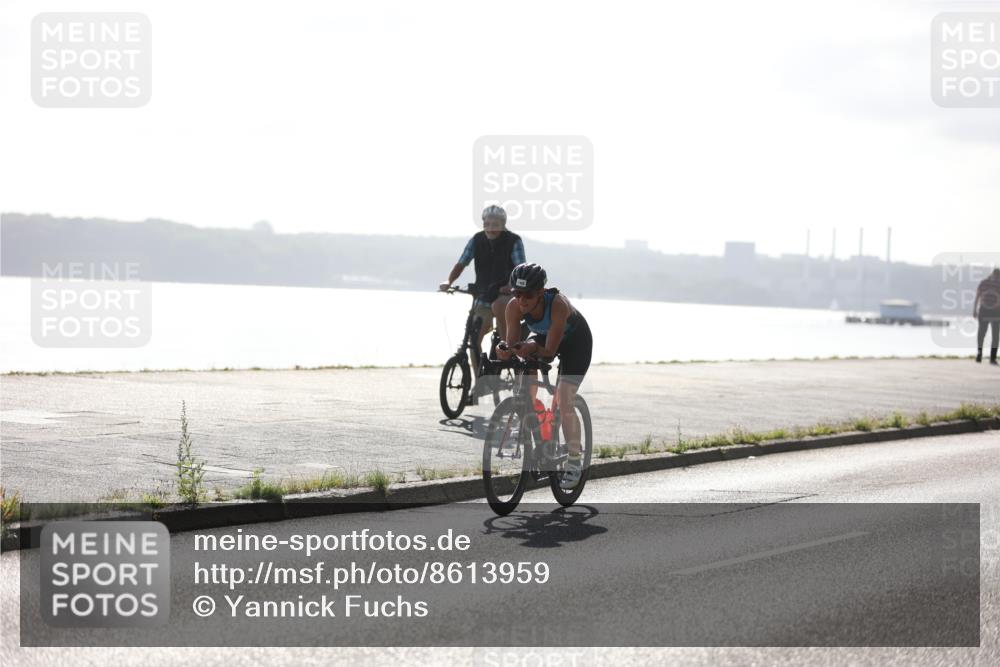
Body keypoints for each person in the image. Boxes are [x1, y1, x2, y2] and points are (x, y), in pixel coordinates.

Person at [496, 263, 593, 490]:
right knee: (524, 371)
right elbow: (511, 344)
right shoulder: (513, 307)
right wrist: (504, 350)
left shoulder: (557, 305)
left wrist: (529, 346)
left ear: (540, 292)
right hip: (543, 338)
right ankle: (526, 412)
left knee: (564, 398)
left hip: (575, 343)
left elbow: (549, 352)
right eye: (517, 294)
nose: (522, 300)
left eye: (528, 294)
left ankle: (574, 461)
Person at [439, 205, 526, 399]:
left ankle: (508, 353)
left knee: (505, 328)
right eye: (487, 224)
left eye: (495, 224)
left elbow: (520, 268)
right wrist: (448, 281)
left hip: (505, 294)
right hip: (484, 295)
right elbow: (462, 262)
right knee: (474, 336)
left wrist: (511, 285)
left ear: (503, 225)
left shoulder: (513, 241)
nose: (491, 228)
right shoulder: (477, 240)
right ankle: (481, 382)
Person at [974, 267, 1000, 365]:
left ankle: (985, 355)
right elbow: (978, 295)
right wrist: (974, 309)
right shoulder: (984, 282)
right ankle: (984, 355)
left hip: (990, 311)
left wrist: (974, 309)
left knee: (987, 333)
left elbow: (977, 296)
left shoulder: (984, 282)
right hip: (990, 311)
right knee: (987, 333)